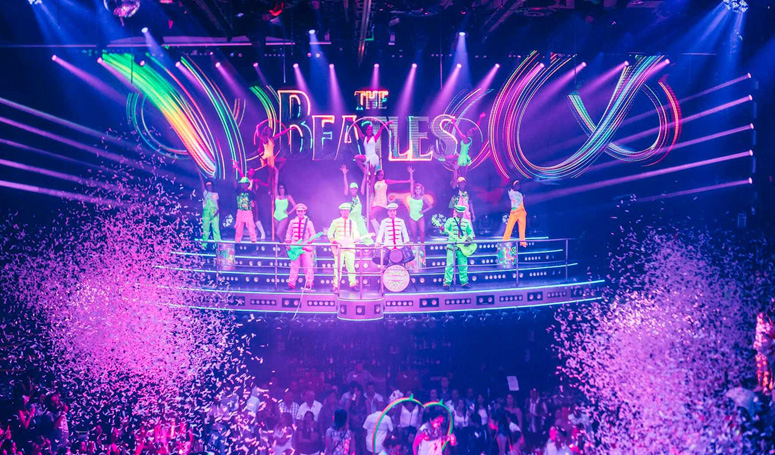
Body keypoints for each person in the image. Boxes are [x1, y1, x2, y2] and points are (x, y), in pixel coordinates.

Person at [328, 203, 362, 292]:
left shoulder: (353, 222)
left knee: (351, 266)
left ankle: (353, 284)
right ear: (341, 211)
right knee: (337, 266)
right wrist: (335, 242)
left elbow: (356, 234)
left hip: (350, 247)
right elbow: (330, 233)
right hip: (339, 247)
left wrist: (357, 239)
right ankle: (336, 285)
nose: (346, 212)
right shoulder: (335, 221)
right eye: (344, 210)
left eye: (347, 210)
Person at [440, 205, 475, 290]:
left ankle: (464, 282)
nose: (461, 214)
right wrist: (442, 229)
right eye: (459, 212)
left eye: (462, 213)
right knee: (449, 265)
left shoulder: (466, 222)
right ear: (456, 212)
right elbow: (444, 232)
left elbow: (470, 233)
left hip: (462, 247)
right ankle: (447, 283)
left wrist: (468, 239)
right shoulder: (450, 221)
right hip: (451, 246)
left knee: (463, 265)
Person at [369, 167, 411, 233]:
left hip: (382, 201)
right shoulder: (375, 182)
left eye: (382, 175)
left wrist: (407, 181)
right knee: (372, 217)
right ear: (377, 175)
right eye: (379, 175)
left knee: (371, 215)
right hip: (375, 201)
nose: (380, 176)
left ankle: (379, 233)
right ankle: (380, 232)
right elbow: (370, 190)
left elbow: (396, 182)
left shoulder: (385, 181)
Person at [285, 203, 316, 291]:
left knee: (308, 266)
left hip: (305, 246)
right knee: (294, 266)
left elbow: (313, 234)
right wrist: (288, 243)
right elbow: (289, 233)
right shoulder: (292, 222)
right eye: (298, 211)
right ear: (296, 212)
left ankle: (309, 284)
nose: (300, 213)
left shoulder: (309, 222)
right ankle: (291, 284)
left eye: (302, 211)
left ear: (304, 212)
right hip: (295, 246)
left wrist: (309, 242)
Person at [341, 165, 373, 245]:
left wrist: (365, 174)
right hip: (350, 218)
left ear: (357, 189)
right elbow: (346, 185)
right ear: (350, 189)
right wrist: (344, 174)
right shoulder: (347, 196)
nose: (353, 190)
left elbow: (363, 184)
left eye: (355, 188)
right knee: (350, 233)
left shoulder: (360, 195)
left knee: (363, 231)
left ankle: (369, 245)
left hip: (358, 217)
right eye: (352, 188)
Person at [233, 167, 259, 243]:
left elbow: (255, 204)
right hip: (240, 212)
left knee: (251, 229)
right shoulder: (238, 191)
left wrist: (256, 214)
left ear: (247, 184)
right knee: (238, 229)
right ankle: (237, 244)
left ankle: (254, 243)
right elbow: (234, 184)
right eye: (241, 183)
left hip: (248, 212)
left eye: (243, 183)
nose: (242, 185)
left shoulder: (251, 193)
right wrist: (233, 171)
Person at [407, 168, 433, 243]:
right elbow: (411, 184)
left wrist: (423, 211)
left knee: (422, 231)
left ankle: (422, 245)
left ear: (421, 190)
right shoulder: (412, 196)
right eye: (416, 189)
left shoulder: (423, 197)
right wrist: (411, 174)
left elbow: (430, 206)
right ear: (415, 190)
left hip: (420, 216)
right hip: (412, 216)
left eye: (419, 189)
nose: (418, 190)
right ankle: (415, 246)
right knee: (414, 233)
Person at [502, 180, 527, 248]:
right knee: (509, 227)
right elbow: (507, 185)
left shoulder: (520, 194)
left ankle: (523, 243)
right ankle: (504, 241)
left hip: (521, 212)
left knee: (522, 228)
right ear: (513, 186)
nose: (518, 186)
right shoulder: (511, 191)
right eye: (516, 185)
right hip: (514, 212)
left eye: (519, 185)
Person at [201, 180, 221, 247]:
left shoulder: (215, 194)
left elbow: (217, 203)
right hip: (206, 212)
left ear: (212, 186)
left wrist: (217, 210)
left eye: (210, 185)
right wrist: (200, 175)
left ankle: (218, 245)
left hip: (214, 211)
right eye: (208, 185)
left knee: (216, 228)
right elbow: (202, 185)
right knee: (205, 229)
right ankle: (204, 245)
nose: (209, 186)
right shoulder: (205, 193)